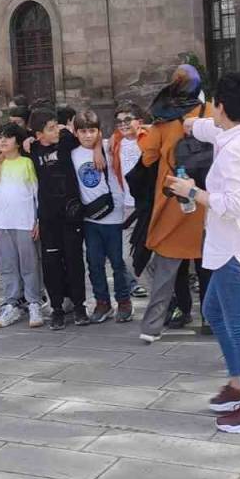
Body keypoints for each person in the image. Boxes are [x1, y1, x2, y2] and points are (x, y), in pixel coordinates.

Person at [166, 72, 240, 434]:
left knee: (239, 326)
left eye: (213, 104)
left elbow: (232, 206)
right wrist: (189, 120)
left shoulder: (235, 152)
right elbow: (203, 128)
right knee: (212, 309)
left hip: (236, 247)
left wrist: (190, 190)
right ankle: (238, 385)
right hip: (233, 243)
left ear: (222, 106)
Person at [138, 65, 213, 343]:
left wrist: (145, 134)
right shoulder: (211, 113)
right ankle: (211, 320)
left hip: (173, 200)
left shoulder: (163, 119)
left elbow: (148, 158)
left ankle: (152, 327)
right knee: (208, 265)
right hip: (205, 198)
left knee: (166, 269)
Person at [27, 108, 89, 329]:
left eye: (56, 126)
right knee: (51, 263)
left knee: (74, 260)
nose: (55, 131)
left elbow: (92, 138)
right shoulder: (32, 149)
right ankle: (57, 308)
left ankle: (80, 306)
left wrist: (98, 150)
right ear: (38, 134)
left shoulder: (66, 142)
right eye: (50, 129)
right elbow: (9, 144)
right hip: (48, 217)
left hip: (70, 214)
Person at [72, 110, 133, 324]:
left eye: (92, 131)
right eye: (83, 131)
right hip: (90, 218)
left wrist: (99, 146)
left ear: (99, 131)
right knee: (94, 262)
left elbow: (122, 134)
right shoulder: (73, 153)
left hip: (114, 216)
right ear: (75, 132)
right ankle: (102, 302)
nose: (88, 136)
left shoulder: (108, 146)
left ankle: (124, 302)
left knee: (117, 262)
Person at [0, 123, 42, 328]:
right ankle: (11, 304)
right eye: (0, 137)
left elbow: (36, 194)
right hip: (3, 223)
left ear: (18, 142)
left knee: (29, 265)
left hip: (24, 222)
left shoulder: (27, 163)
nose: (2, 141)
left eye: (8, 137)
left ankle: (33, 302)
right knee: (8, 265)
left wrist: (38, 220)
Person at [111, 102, 151, 298]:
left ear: (139, 122)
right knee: (125, 253)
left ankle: (164, 293)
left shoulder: (148, 138)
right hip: (127, 203)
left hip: (147, 204)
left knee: (151, 253)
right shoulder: (115, 142)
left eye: (127, 120)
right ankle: (133, 283)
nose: (123, 125)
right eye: (119, 122)